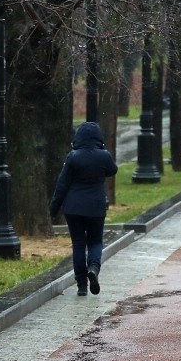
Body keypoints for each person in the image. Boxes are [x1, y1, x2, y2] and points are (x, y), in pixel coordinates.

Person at [49, 122, 118, 296]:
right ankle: (93, 268)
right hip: (96, 206)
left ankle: (81, 285)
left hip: (73, 207)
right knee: (95, 241)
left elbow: (62, 183)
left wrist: (54, 208)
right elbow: (113, 170)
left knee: (78, 244)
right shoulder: (104, 156)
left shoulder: (73, 156)